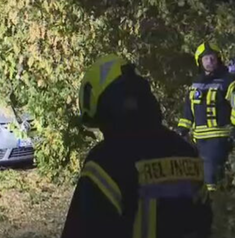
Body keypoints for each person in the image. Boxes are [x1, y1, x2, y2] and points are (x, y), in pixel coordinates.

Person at [61, 55, 211, 238]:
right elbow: (205, 223)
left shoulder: (104, 163)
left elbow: (81, 230)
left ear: (106, 107)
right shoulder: (187, 153)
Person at [176, 42, 235, 191]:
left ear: (219, 59)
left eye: (212, 58)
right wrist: (182, 130)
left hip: (220, 137)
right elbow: (188, 110)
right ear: (200, 62)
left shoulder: (228, 81)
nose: (210, 61)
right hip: (199, 141)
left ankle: (215, 206)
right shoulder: (196, 83)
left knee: (211, 178)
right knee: (199, 178)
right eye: (206, 58)